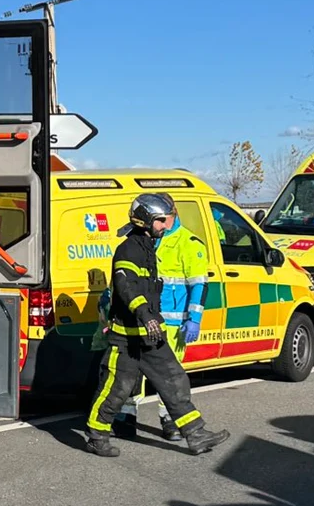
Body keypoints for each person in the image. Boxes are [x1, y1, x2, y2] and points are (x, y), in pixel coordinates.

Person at [84, 193, 232, 458]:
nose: (166, 225)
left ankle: (195, 433)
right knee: (117, 388)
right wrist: (144, 313)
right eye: (161, 220)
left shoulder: (149, 246)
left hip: (150, 335)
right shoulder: (129, 249)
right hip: (128, 338)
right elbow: (125, 285)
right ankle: (96, 436)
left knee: (174, 379)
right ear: (145, 220)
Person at [110, 201, 210, 442]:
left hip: (172, 323)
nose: (164, 223)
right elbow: (125, 280)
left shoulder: (188, 243)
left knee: (168, 376)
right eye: (160, 219)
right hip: (140, 319)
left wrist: (194, 318)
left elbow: (199, 284)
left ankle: (171, 422)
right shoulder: (145, 239)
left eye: (167, 217)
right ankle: (126, 418)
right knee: (132, 373)